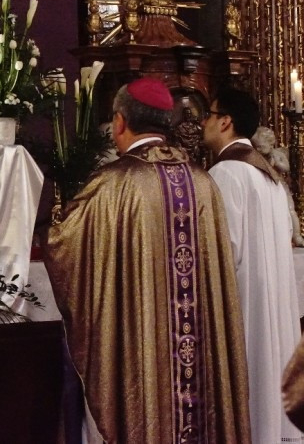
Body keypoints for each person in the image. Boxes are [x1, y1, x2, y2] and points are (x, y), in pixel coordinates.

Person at [40, 78, 251, 443]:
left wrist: (48, 229)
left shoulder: (113, 184)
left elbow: (65, 248)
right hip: (198, 356)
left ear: (120, 122)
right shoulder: (204, 183)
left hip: (144, 349)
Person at [201, 89, 301, 443]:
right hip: (271, 302)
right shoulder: (269, 176)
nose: (203, 122)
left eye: (209, 114)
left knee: (249, 392)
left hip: (244, 305)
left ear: (225, 121)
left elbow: (221, 250)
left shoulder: (226, 173)